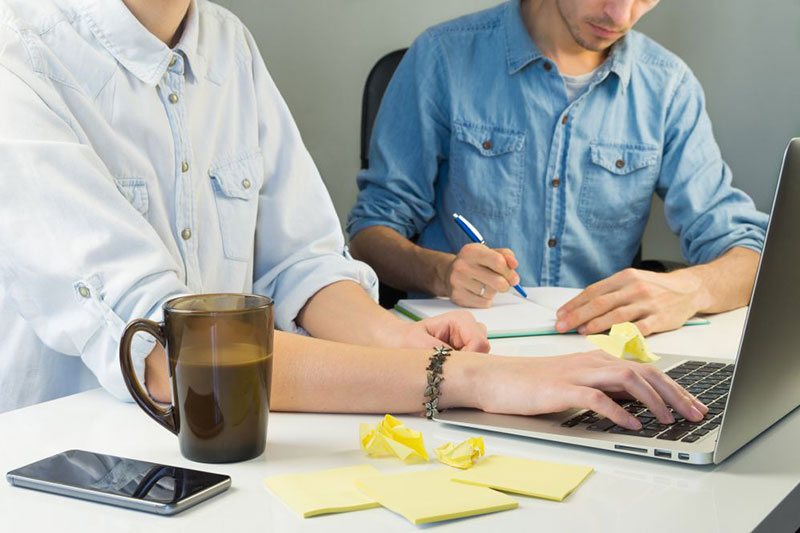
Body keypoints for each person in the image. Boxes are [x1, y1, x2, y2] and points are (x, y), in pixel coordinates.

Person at [0, 0, 707, 431]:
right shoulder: (17, 56)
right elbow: (169, 352)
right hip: (73, 469)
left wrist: (399, 345)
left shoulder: (226, 45)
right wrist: (466, 381)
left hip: (231, 450)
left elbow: (304, 265)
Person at [347, 0, 768, 338]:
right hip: (463, 351)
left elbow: (746, 250)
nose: (621, 15)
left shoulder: (668, 86)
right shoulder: (442, 58)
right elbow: (369, 235)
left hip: (599, 360)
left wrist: (690, 289)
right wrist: (440, 272)